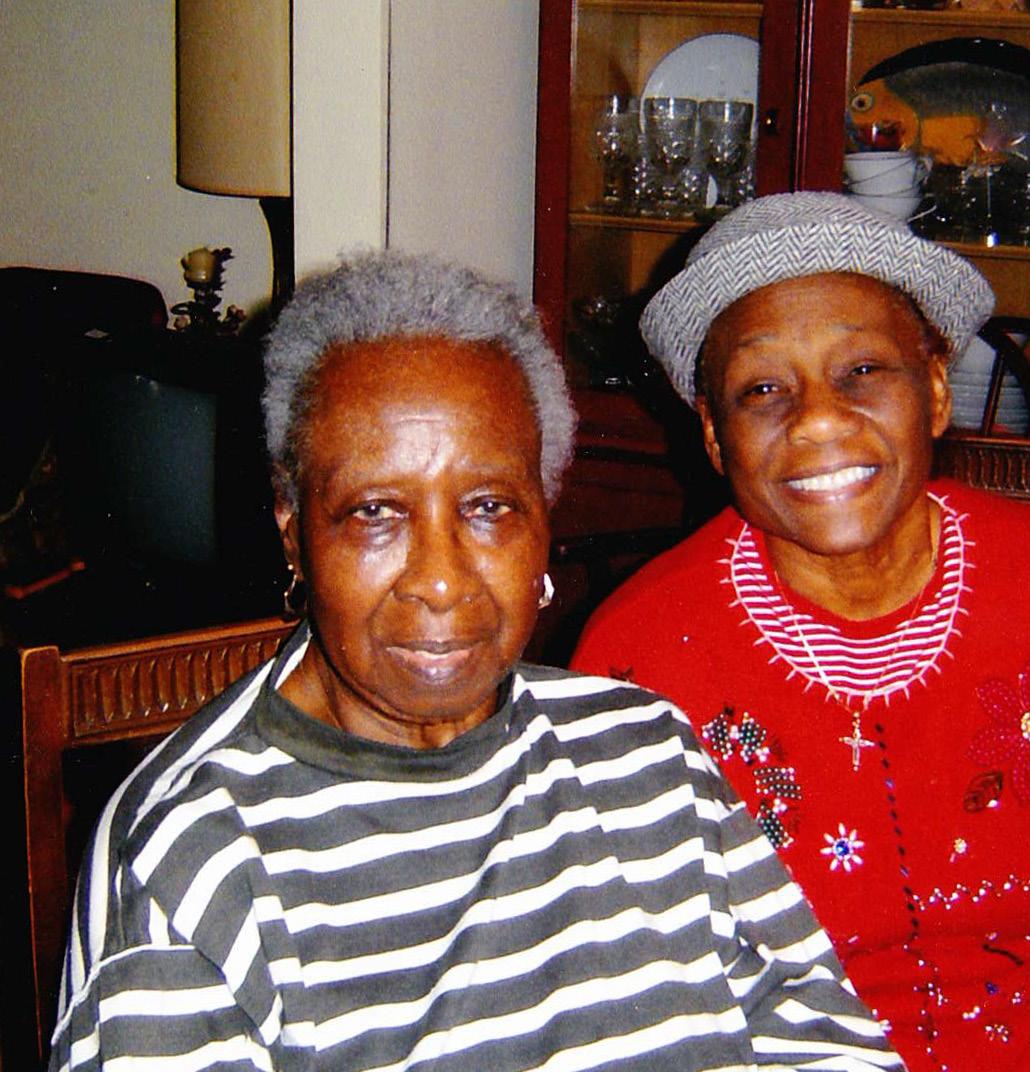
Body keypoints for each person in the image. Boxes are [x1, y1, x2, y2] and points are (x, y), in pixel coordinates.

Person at [49, 251, 904, 1072]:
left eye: (489, 507)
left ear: (544, 515)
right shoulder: (197, 851)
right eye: (375, 512)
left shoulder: (643, 751)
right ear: (293, 530)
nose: (441, 580)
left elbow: (818, 1035)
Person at [572, 192, 1030, 1072]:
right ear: (715, 439)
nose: (817, 419)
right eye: (761, 390)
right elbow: (646, 979)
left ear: (937, 392)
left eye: (862, 370)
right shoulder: (635, 661)